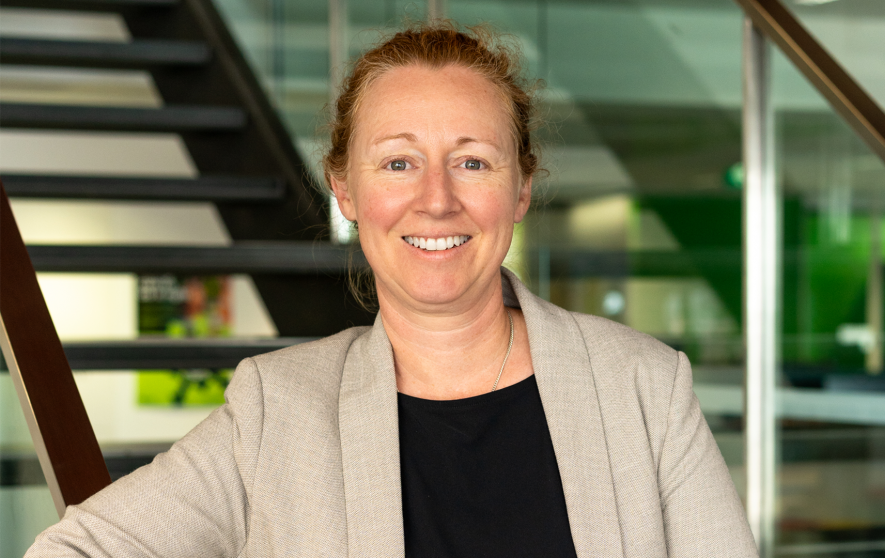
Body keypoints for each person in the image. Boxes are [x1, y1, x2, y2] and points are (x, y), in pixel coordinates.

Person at [27, 23, 757, 558]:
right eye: (399, 163)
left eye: (472, 163)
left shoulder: (644, 388)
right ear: (344, 189)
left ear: (522, 187)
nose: (436, 200)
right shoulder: (276, 410)